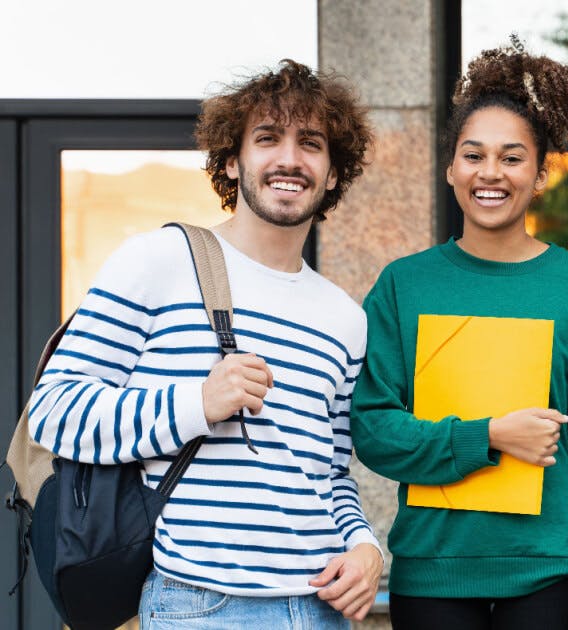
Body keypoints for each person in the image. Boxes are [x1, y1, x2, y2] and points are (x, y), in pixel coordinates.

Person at [26, 60, 383, 627]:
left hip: (319, 610)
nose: (289, 158)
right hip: (200, 605)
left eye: (310, 143)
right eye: (267, 138)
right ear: (232, 160)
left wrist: (365, 545)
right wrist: (196, 403)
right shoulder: (159, 261)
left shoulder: (345, 317)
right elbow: (52, 413)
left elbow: (331, 472)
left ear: (334, 172)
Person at [349, 39, 568, 630]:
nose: (490, 173)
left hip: (550, 577)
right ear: (451, 168)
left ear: (539, 174)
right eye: (473, 155)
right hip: (432, 573)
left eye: (512, 157)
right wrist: (491, 437)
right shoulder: (405, 285)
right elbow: (374, 430)